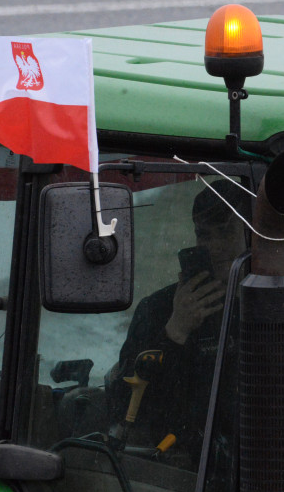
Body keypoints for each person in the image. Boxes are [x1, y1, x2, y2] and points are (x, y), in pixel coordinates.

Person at [107, 180, 250, 462]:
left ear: (250, 235)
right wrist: (175, 331)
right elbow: (123, 410)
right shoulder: (158, 310)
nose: (215, 247)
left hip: (257, 460)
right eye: (204, 236)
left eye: (226, 232)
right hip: (176, 464)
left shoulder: (276, 304)